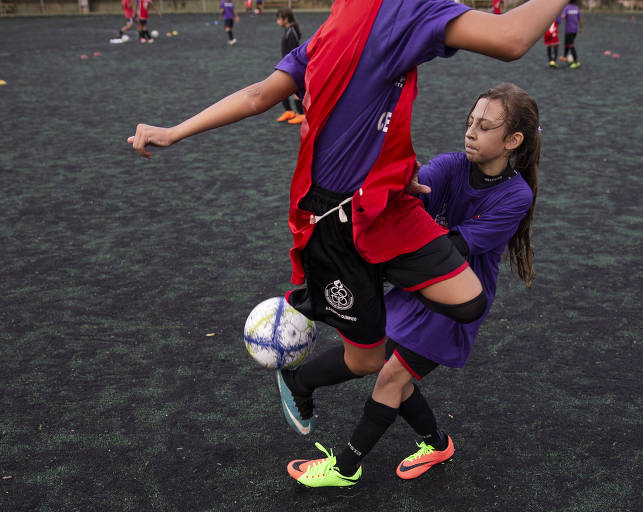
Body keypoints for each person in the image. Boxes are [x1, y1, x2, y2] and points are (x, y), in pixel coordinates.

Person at [127, 0, 568, 439]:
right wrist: (176, 131)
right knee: (367, 361)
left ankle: (338, 288)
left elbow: (259, 95)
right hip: (333, 220)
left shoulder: (342, 22)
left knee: (468, 301)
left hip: (382, 204)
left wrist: (175, 131)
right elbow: (512, 38)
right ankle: (305, 356)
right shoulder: (399, 12)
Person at [286, 83, 540, 487]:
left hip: (455, 300)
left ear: (512, 141)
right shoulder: (451, 165)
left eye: (485, 126)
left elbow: (452, 248)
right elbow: (414, 191)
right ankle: (437, 443)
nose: (471, 131)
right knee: (392, 374)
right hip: (417, 287)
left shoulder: (516, 195)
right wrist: (396, 185)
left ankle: (345, 469)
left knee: (391, 378)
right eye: (470, 121)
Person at [275, 8, 304, 125]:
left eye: (278, 19)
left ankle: (301, 114)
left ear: (285, 19)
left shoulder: (291, 32)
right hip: (287, 66)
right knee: (282, 90)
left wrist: (289, 69)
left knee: (294, 91)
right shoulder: (288, 30)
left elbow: (292, 53)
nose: (277, 21)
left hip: (292, 67)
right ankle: (289, 111)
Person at [561, 0, 583, 68]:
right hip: (575, 30)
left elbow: (563, 17)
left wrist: (561, 18)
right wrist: (581, 28)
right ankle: (564, 56)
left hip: (569, 30)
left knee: (570, 44)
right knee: (567, 43)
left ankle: (576, 62)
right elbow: (580, 19)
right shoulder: (577, 8)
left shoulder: (566, 8)